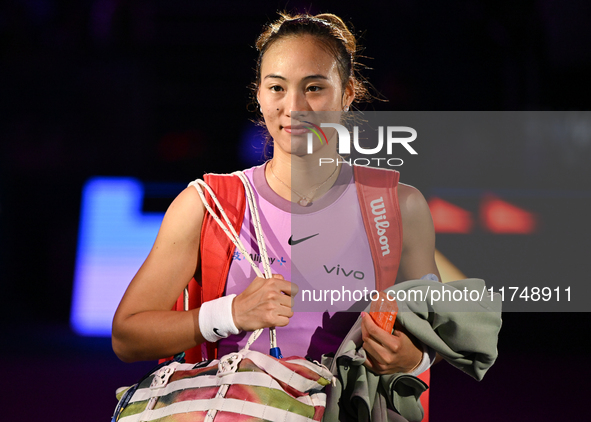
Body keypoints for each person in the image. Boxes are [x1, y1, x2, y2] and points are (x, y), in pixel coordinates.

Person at [112, 11, 440, 381]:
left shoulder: (400, 205)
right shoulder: (207, 205)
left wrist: (413, 358)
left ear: (347, 93)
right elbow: (127, 336)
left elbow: (432, 332)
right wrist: (231, 314)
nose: (295, 107)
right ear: (259, 93)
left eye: (314, 88)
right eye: (277, 87)